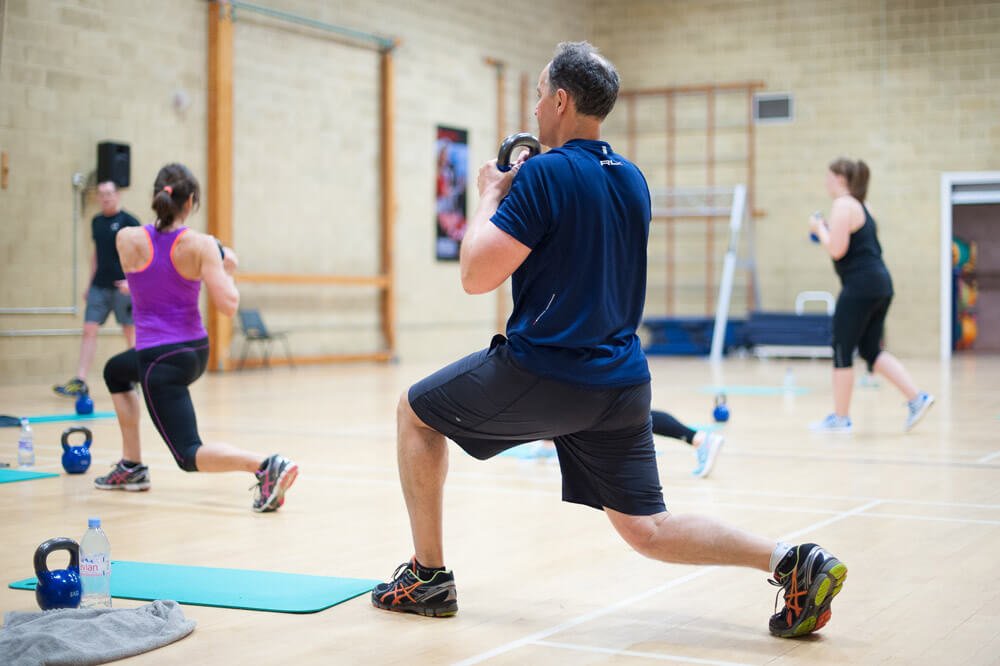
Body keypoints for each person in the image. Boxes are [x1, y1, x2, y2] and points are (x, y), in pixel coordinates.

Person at [371, 42, 846, 639]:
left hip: (546, 372)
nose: (537, 105)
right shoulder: (632, 179)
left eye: (540, 93)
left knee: (415, 413)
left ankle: (428, 578)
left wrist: (490, 197)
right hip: (622, 383)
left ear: (562, 101)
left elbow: (474, 275)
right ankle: (791, 560)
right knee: (647, 528)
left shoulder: (542, 175)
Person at [95, 163, 298, 512]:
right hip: (193, 352)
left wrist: (213, 257)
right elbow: (228, 305)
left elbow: (150, 269)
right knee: (115, 370)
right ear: (191, 204)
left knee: (188, 455)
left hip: (158, 359)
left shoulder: (125, 238)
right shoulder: (201, 246)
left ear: (157, 197)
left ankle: (265, 465)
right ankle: (132, 465)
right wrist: (224, 266)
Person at [808, 158, 934, 433]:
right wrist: (826, 230)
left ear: (840, 179)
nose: (825, 183)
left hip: (860, 286)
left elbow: (837, 250)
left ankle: (840, 419)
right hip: (880, 284)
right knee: (870, 350)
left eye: (828, 177)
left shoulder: (843, 204)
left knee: (842, 346)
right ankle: (917, 398)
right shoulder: (863, 205)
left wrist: (820, 229)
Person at [53, 181, 140, 397]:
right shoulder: (97, 222)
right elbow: (96, 255)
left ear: (117, 195)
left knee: (130, 332)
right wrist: (89, 283)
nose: (105, 198)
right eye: (101, 194)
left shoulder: (130, 222)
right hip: (99, 287)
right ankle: (80, 381)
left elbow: (142, 255)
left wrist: (134, 282)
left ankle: (138, 377)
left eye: (109, 194)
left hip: (123, 288)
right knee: (89, 329)